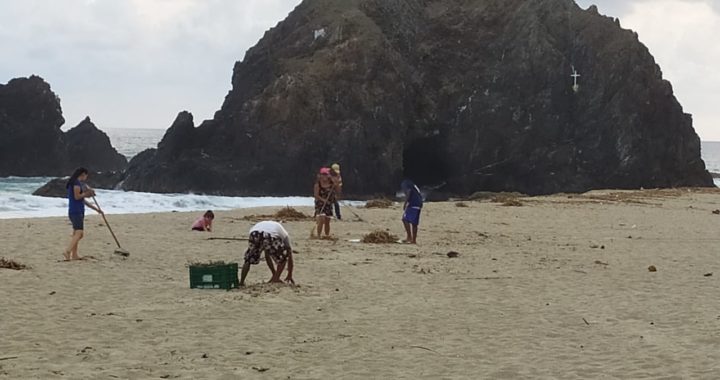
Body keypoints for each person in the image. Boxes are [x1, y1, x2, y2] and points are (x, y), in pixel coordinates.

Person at [63, 167, 103, 261]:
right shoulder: (76, 184)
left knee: (76, 233)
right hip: (76, 211)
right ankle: (67, 251)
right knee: (79, 233)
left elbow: (83, 201)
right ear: (83, 175)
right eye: (86, 176)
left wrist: (97, 209)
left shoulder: (75, 183)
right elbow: (77, 197)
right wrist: (87, 193)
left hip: (77, 210)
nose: (86, 178)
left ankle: (74, 255)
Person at [239, 220, 294, 286]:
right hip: (269, 235)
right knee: (283, 258)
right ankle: (276, 279)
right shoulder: (284, 235)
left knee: (248, 259)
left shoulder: (268, 225)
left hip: (254, 233)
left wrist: (274, 273)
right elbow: (289, 253)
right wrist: (290, 274)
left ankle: (241, 282)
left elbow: (267, 255)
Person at [314, 167, 339, 238]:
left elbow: (337, 188)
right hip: (320, 204)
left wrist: (336, 182)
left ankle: (326, 235)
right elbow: (316, 195)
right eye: (323, 174)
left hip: (329, 204)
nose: (324, 176)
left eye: (326, 174)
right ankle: (318, 235)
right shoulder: (317, 184)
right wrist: (324, 200)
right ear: (320, 175)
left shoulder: (331, 184)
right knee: (321, 219)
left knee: (327, 221)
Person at [401, 179, 423, 244]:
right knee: (414, 223)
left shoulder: (405, 183)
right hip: (419, 203)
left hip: (413, 203)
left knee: (405, 219)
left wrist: (405, 203)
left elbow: (408, 192)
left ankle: (409, 237)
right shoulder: (412, 184)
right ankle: (414, 240)